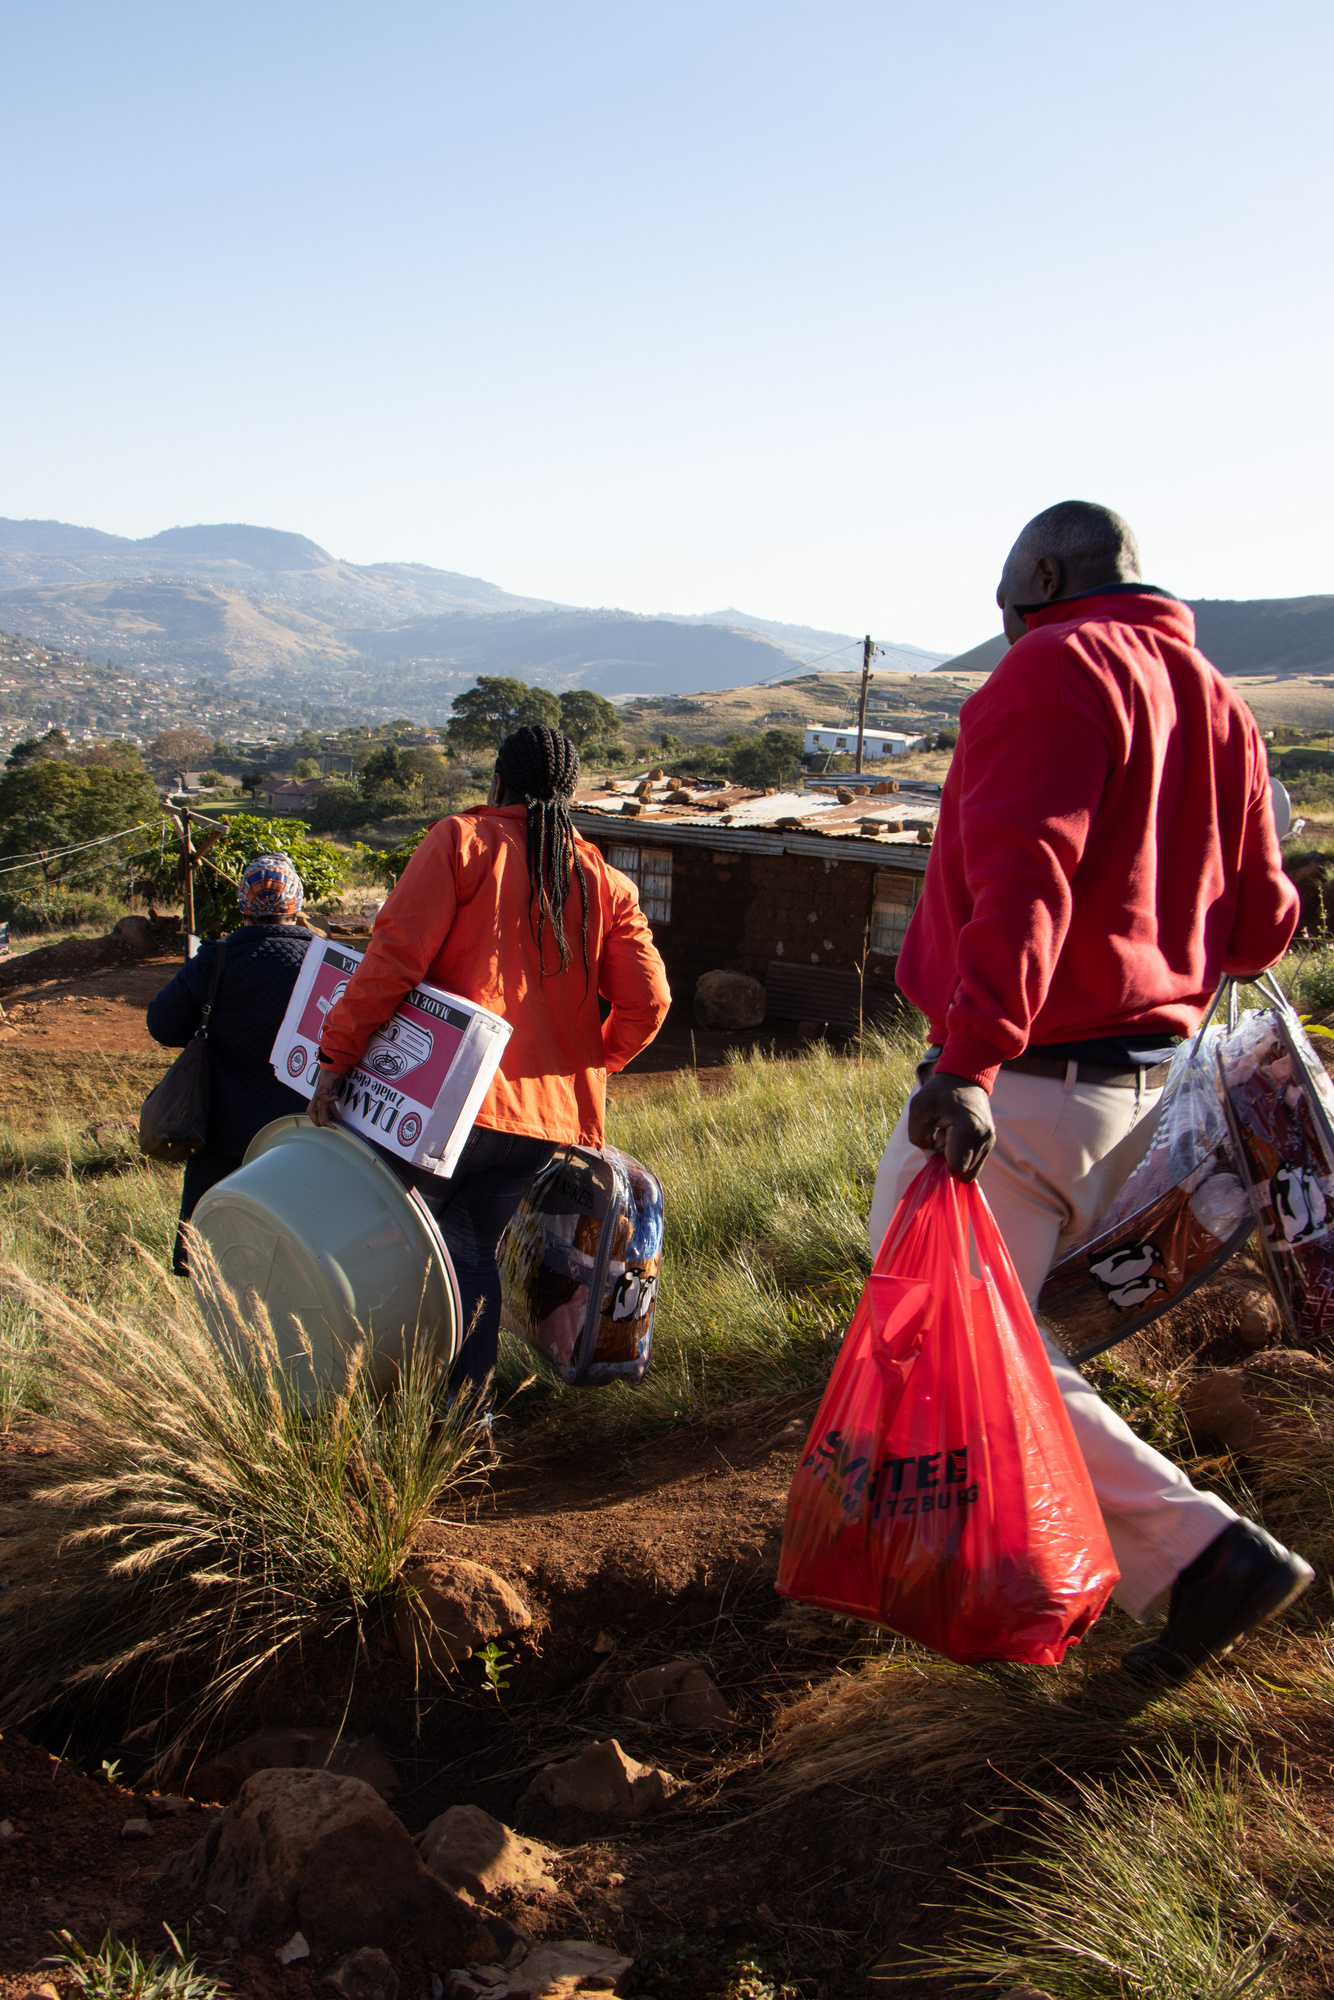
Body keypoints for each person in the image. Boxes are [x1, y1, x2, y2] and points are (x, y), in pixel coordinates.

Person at [869, 499, 1311, 1683]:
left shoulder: (1050, 670)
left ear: (1048, 574)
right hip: (1140, 1091)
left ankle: (1197, 1553)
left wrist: (966, 1059)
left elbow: (1024, 880)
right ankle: (1066, 1558)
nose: (1004, 631)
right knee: (990, 1332)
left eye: (1007, 606)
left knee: (947, 1334)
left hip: (1024, 1080)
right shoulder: (1217, 700)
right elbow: (1266, 921)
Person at [309, 725, 671, 1401]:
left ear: (499, 782)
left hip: (440, 1105)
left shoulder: (460, 843)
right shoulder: (606, 882)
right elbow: (651, 1001)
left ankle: (357, 1405)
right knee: (470, 1255)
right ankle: (467, 1416)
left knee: (385, 1249)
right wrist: (587, 1067)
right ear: (569, 792)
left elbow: (393, 962)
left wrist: (336, 1058)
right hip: (539, 1126)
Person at [147, 853, 316, 1275]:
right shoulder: (325, 964)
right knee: (293, 1263)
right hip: (304, 1139)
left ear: (243, 903)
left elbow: (163, 1025)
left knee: (213, 1261)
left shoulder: (217, 959)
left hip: (222, 1135)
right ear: (296, 902)